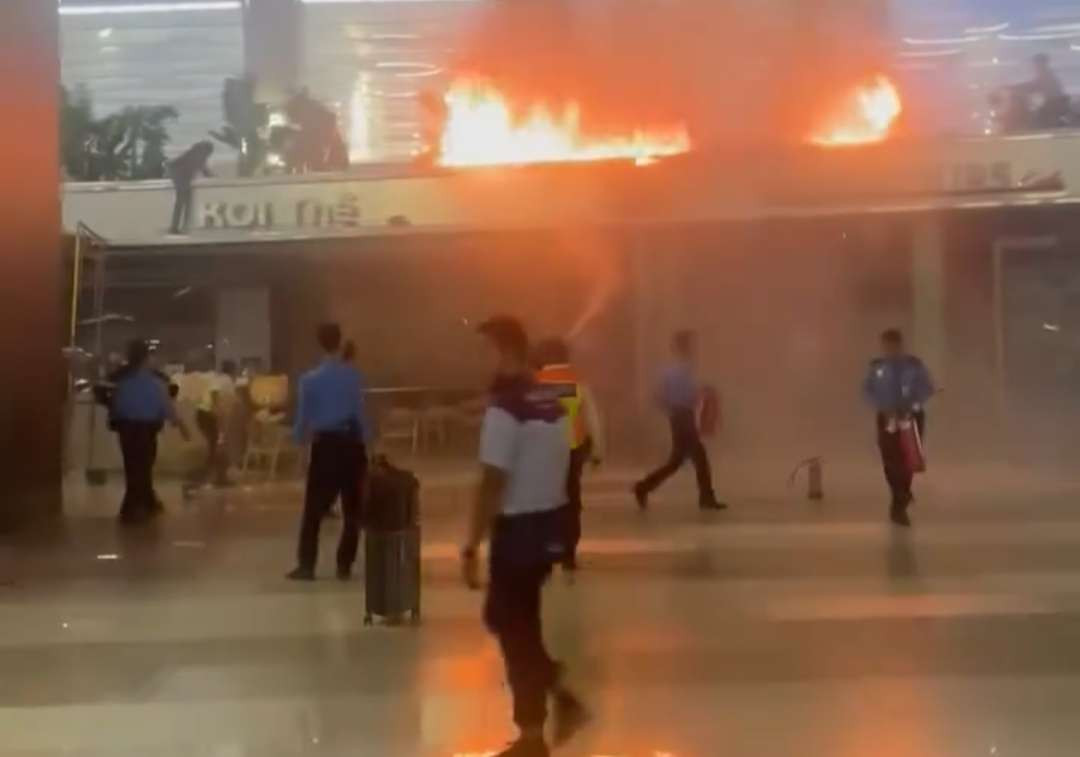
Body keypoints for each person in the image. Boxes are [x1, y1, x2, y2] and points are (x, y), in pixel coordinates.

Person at [462, 317, 589, 757]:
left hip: (516, 529)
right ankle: (540, 722)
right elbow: (566, 458)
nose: (481, 363)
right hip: (547, 524)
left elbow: (492, 480)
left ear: (505, 351)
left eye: (486, 351)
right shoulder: (550, 402)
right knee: (517, 622)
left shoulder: (506, 408)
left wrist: (470, 543)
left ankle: (552, 704)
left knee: (507, 621)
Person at [287, 324, 370, 581]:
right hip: (352, 444)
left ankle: (307, 565)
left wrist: (299, 449)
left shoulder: (309, 380)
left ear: (319, 343)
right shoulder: (354, 376)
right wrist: (369, 445)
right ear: (339, 342)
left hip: (325, 447)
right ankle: (344, 564)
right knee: (353, 510)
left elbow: (303, 421)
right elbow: (361, 415)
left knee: (313, 509)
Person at [633, 330, 726, 511]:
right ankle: (706, 498)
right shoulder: (681, 369)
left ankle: (643, 487)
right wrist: (699, 395)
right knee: (699, 458)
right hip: (683, 418)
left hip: (679, 417)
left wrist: (674, 407)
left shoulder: (674, 369)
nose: (694, 349)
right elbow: (682, 396)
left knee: (676, 462)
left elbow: (661, 397)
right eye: (690, 345)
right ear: (684, 347)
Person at [533, 337, 604, 571]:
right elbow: (592, 419)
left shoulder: (535, 383)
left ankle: (547, 547)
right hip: (573, 448)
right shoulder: (578, 384)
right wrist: (597, 450)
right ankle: (568, 553)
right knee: (572, 500)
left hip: (543, 451)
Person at [109, 339, 189, 524]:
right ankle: (140, 505)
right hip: (147, 429)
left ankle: (137, 504)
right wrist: (181, 426)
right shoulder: (157, 381)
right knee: (144, 467)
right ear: (146, 358)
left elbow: (114, 403)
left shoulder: (121, 380)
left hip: (126, 428)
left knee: (132, 466)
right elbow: (167, 407)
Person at [863, 328, 935, 527]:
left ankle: (899, 503)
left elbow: (926, 389)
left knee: (908, 459)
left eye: (893, 345)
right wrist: (883, 407)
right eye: (886, 346)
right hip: (886, 417)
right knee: (889, 458)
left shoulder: (914, 366)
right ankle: (900, 494)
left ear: (900, 346)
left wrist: (910, 407)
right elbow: (868, 391)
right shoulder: (877, 368)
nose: (889, 350)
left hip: (910, 417)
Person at [190, 360, 237, 489]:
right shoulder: (227, 380)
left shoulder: (220, 378)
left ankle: (215, 477)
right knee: (217, 445)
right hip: (209, 414)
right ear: (232, 371)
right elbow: (216, 395)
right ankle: (211, 477)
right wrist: (219, 416)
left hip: (203, 414)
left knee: (215, 445)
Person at [167, 140, 214, 235]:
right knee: (183, 202)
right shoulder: (199, 155)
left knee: (184, 203)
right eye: (210, 152)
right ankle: (178, 227)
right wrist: (212, 176)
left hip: (181, 177)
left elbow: (203, 169)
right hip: (180, 177)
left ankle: (179, 227)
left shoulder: (195, 153)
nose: (209, 155)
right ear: (206, 150)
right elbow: (203, 169)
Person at [1015, 54, 1071, 130]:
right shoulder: (1047, 74)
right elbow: (1032, 85)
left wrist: (1016, 87)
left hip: (1053, 106)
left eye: (1036, 64)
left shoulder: (1046, 75)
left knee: (1033, 120)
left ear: (1042, 64)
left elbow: (1033, 85)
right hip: (1052, 105)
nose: (1034, 66)